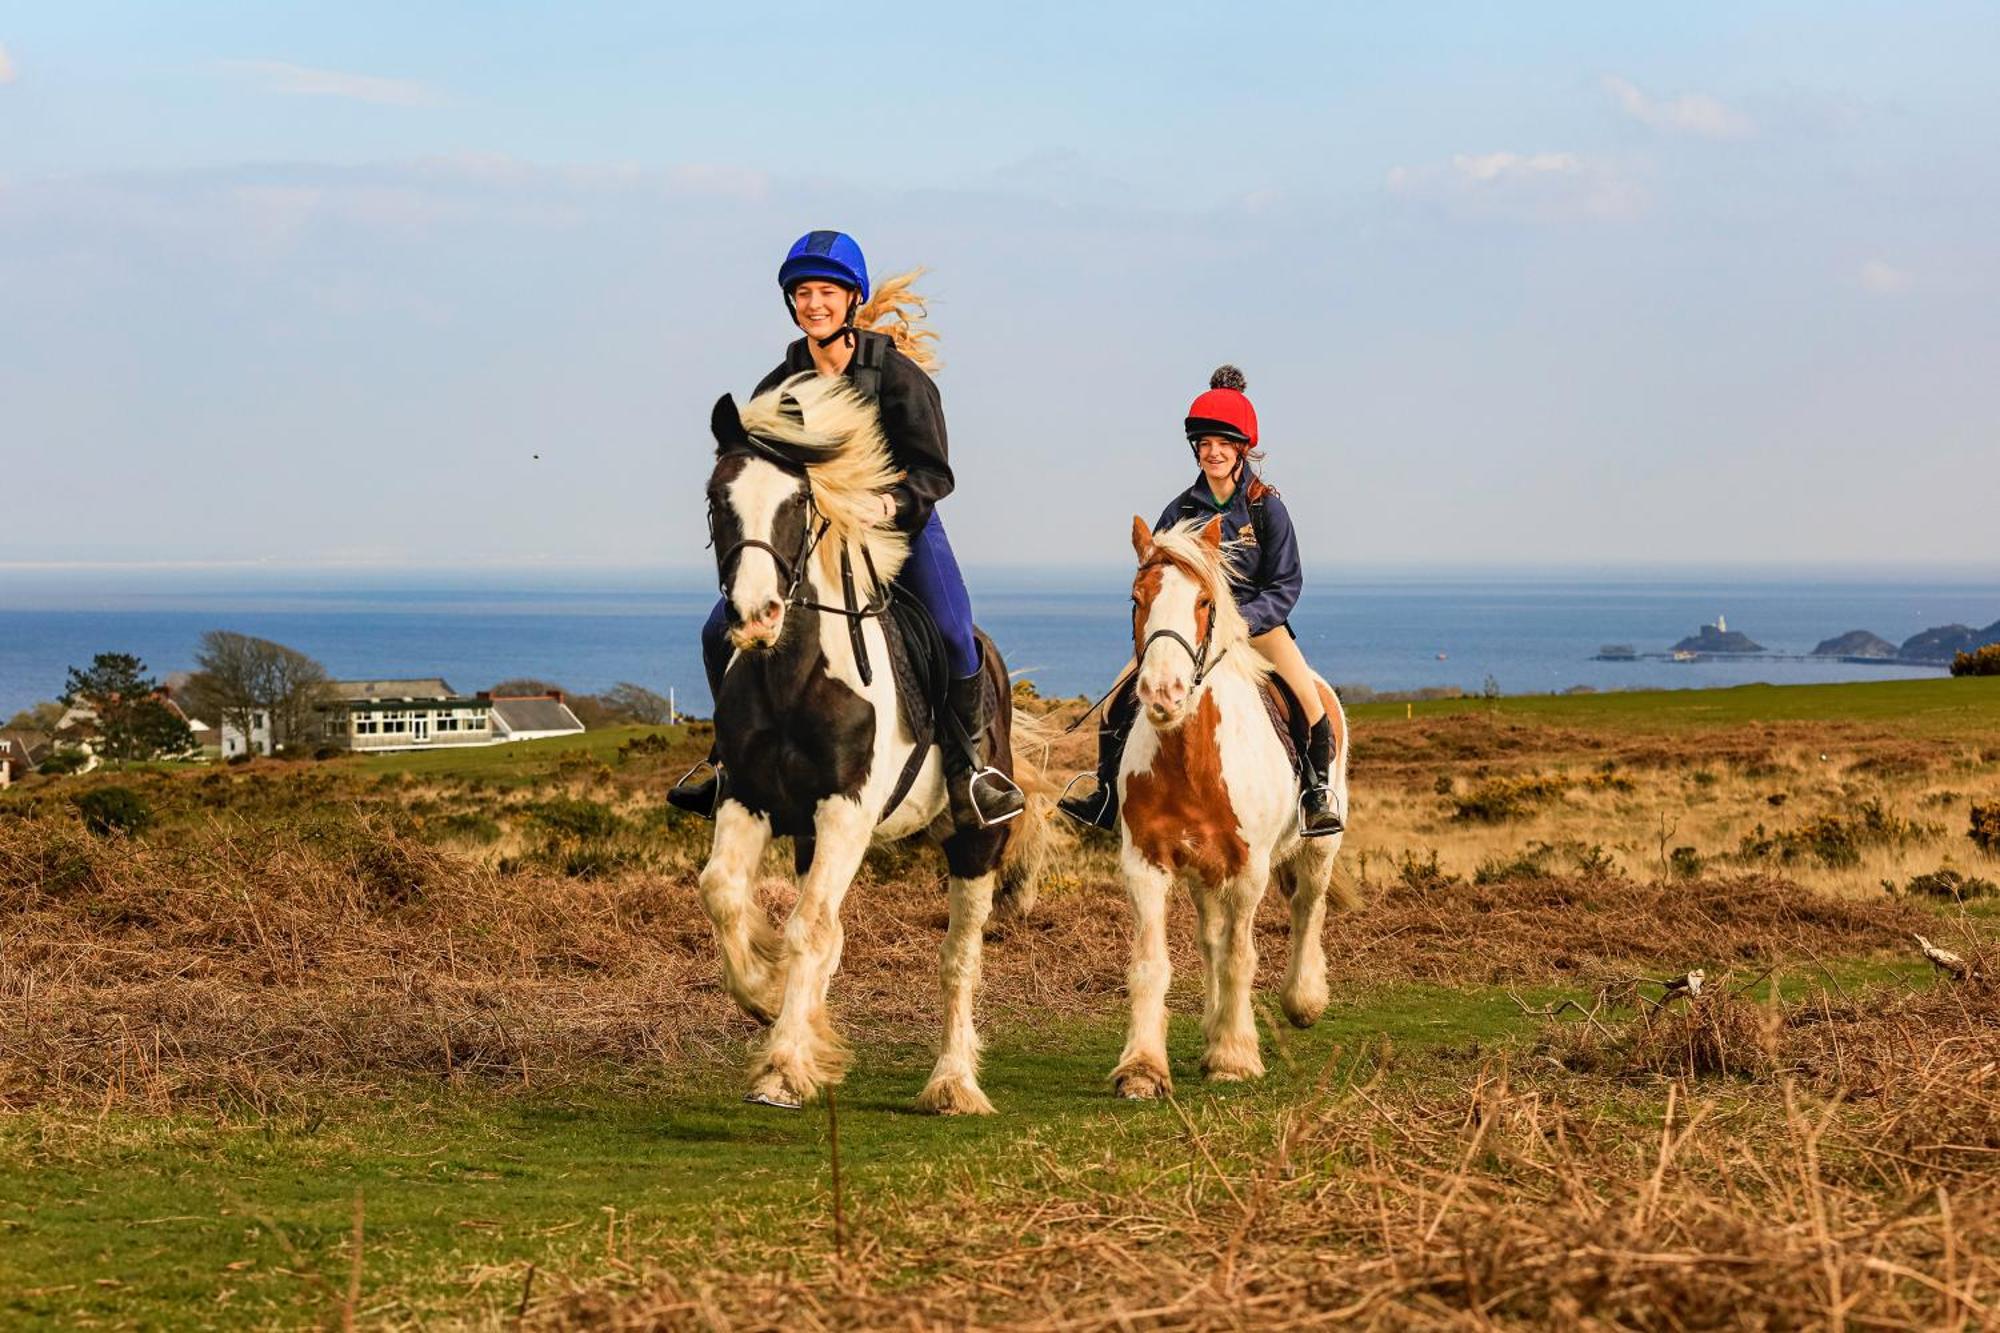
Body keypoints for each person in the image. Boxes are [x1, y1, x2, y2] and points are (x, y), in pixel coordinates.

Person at [669, 230, 1025, 830]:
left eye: (827, 292)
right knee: (716, 629)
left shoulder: (898, 378)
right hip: (810, 536)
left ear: (852, 299)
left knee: (952, 629)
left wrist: (888, 506)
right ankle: (730, 761)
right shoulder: (777, 386)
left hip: (898, 528)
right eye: (802, 293)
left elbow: (935, 473)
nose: (814, 304)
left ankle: (970, 772)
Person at [1057, 365, 1344, 837]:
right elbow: (1159, 574)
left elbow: (1286, 585)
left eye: (1223, 445)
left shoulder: (1266, 508)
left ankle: (1315, 795)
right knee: (1114, 706)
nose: (1212, 453)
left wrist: (1239, 621)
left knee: (1310, 704)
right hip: (1190, 630)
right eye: (1205, 445)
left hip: (1257, 628)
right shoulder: (1180, 510)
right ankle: (1106, 793)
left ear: (1241, 450)